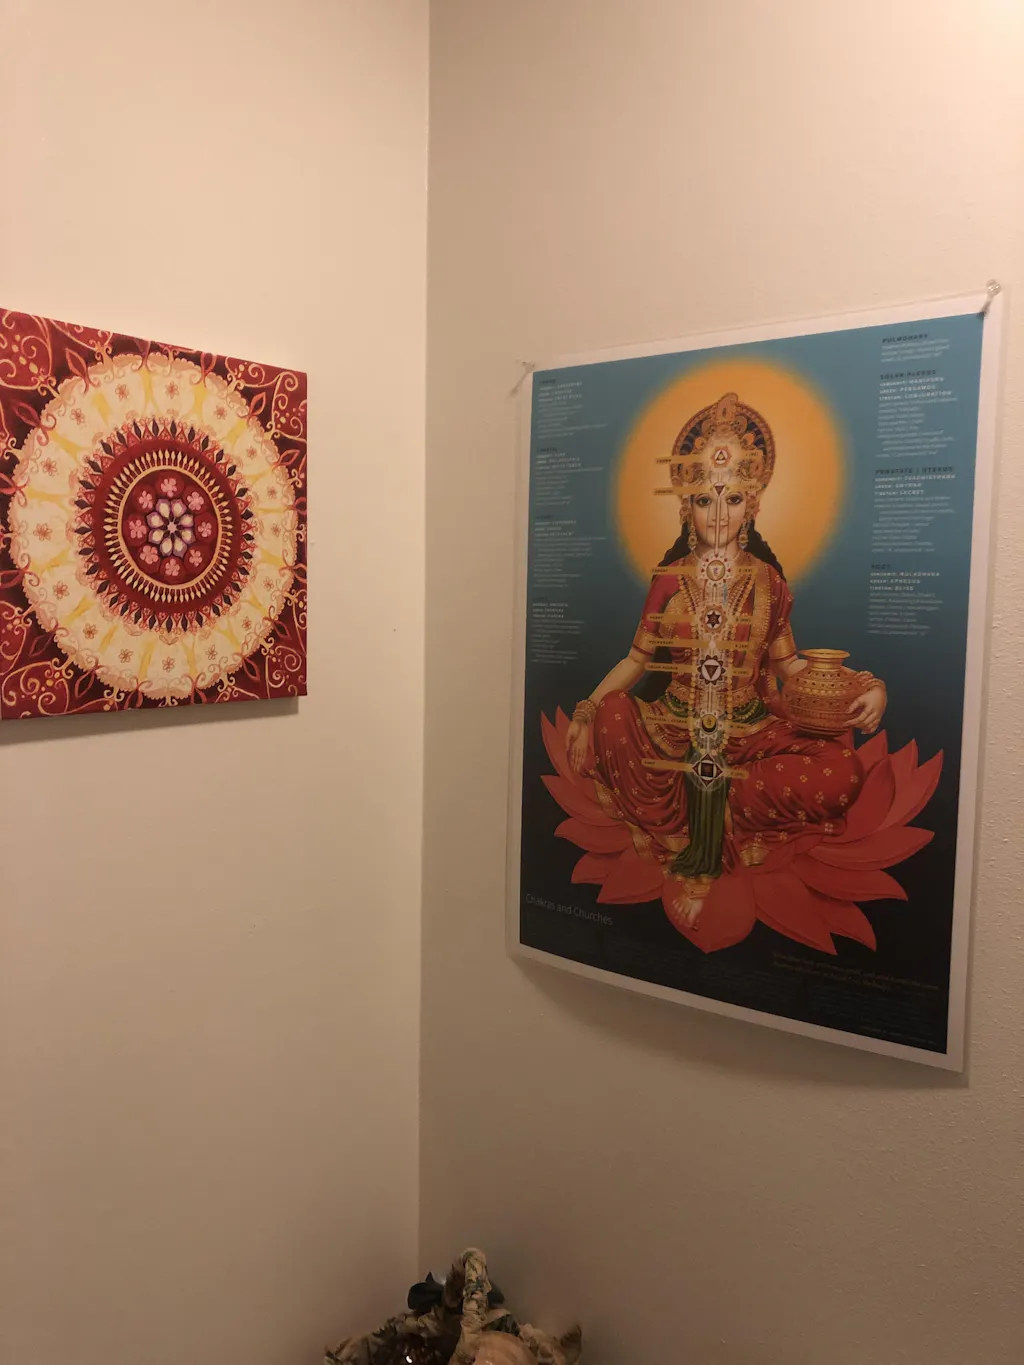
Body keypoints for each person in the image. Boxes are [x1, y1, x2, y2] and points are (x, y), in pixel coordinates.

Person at [565, 393, 886, 927]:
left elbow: (791, 668)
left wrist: (868, 686)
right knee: (615, 713)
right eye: (704, 499)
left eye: (733, 498)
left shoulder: (769, 583)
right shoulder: (668, 580)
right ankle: (693, 821)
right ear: (685, 507)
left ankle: (720, 816)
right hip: (672, 728)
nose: (718, 514)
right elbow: (635, 660)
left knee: (842, 770)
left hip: (749, 732)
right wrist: (585, 712)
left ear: (752, 506)